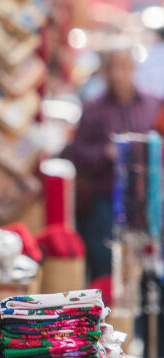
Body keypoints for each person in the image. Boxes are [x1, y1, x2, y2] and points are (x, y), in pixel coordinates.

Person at [65, 47, 161, 280]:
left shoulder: (153, 105)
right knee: (105, 267)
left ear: (133, 69)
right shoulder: (93, 108)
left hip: (145, 204)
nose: (118, 74)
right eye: (113, 68)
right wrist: (104, 153)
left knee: (146, 270)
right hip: (104, 202)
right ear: (106, 72)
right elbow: (76, 152)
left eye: (124, 67)